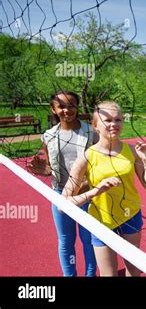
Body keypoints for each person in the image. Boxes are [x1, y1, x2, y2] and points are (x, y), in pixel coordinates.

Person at [62, 101, 146, 276]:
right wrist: (94, 191)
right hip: (101, 221)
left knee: (133, 270)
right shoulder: (87, 156)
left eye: (118, 120)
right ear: (95, 125)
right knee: (109, 274)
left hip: (130, 215)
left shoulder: (131, 150)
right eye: (108, 120)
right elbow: (63, 203)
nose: (114, 124)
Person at [27, 90, 97, 277]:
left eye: (71, 105)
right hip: (60, 194)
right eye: (62, 106)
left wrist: (88, 184)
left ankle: (91, 274)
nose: (67, 110)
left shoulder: (91, 133)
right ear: (53, 109)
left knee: (88, 239)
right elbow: (50, 167)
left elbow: (100, 164)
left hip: (86, 194)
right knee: (65, 240)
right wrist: (42, 170)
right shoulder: (48, 136)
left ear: (78, 107)